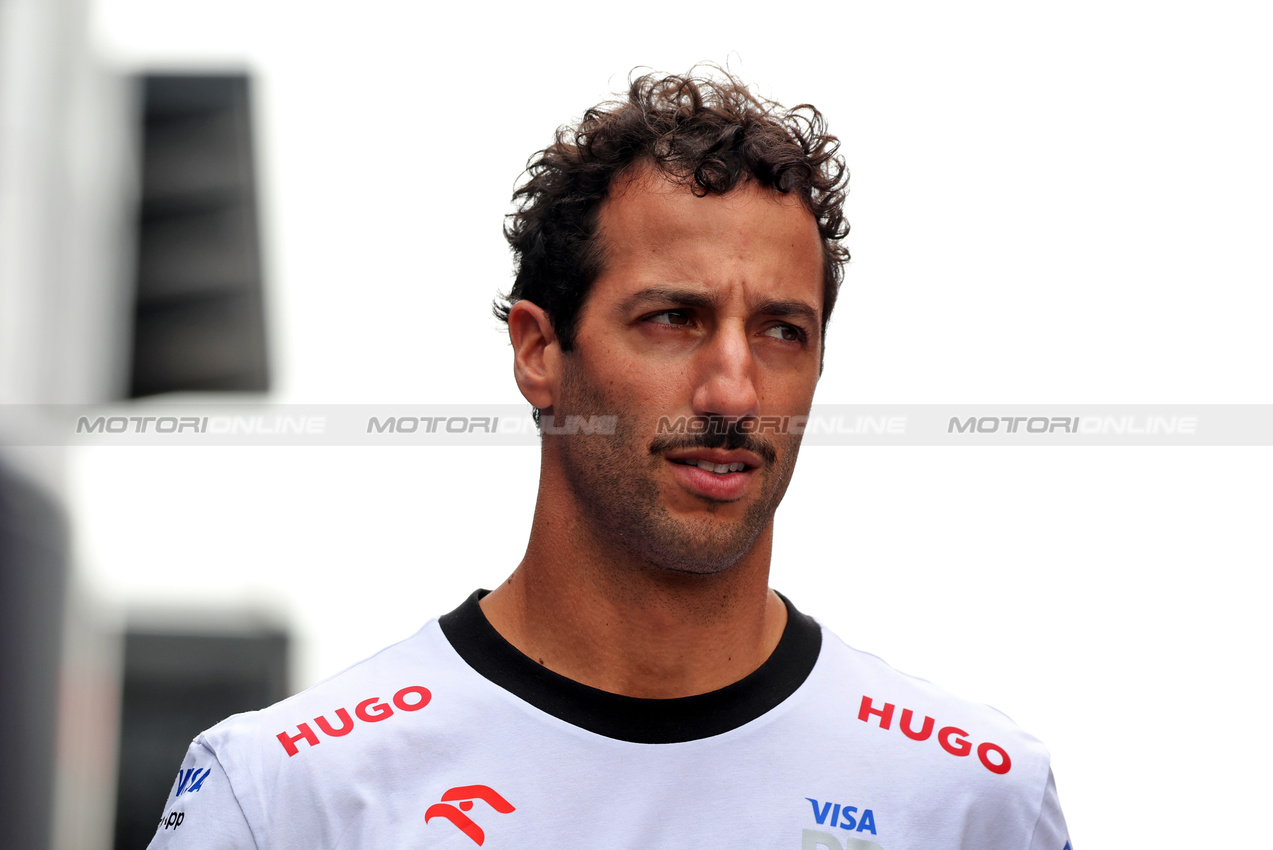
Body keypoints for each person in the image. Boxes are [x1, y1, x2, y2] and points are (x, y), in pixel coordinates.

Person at [147, 69, 1072, 850]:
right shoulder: (287, 792)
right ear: (538, 353)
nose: (732, 392)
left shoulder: (969, 796)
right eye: (673, 319)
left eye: (782, 332)